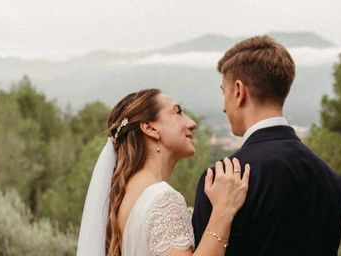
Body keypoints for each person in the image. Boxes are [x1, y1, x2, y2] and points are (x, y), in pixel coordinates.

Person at [192, 35, 341, 255]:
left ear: (238, 91)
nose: (224, 108)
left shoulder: (222, 179)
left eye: (223, 93)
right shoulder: (330, 178)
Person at [77, 88, 251, 256]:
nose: (192, 123)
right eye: (178, 112)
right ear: (150, 128)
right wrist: (223, 210)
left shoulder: (122, 197)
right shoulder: (163, 199)